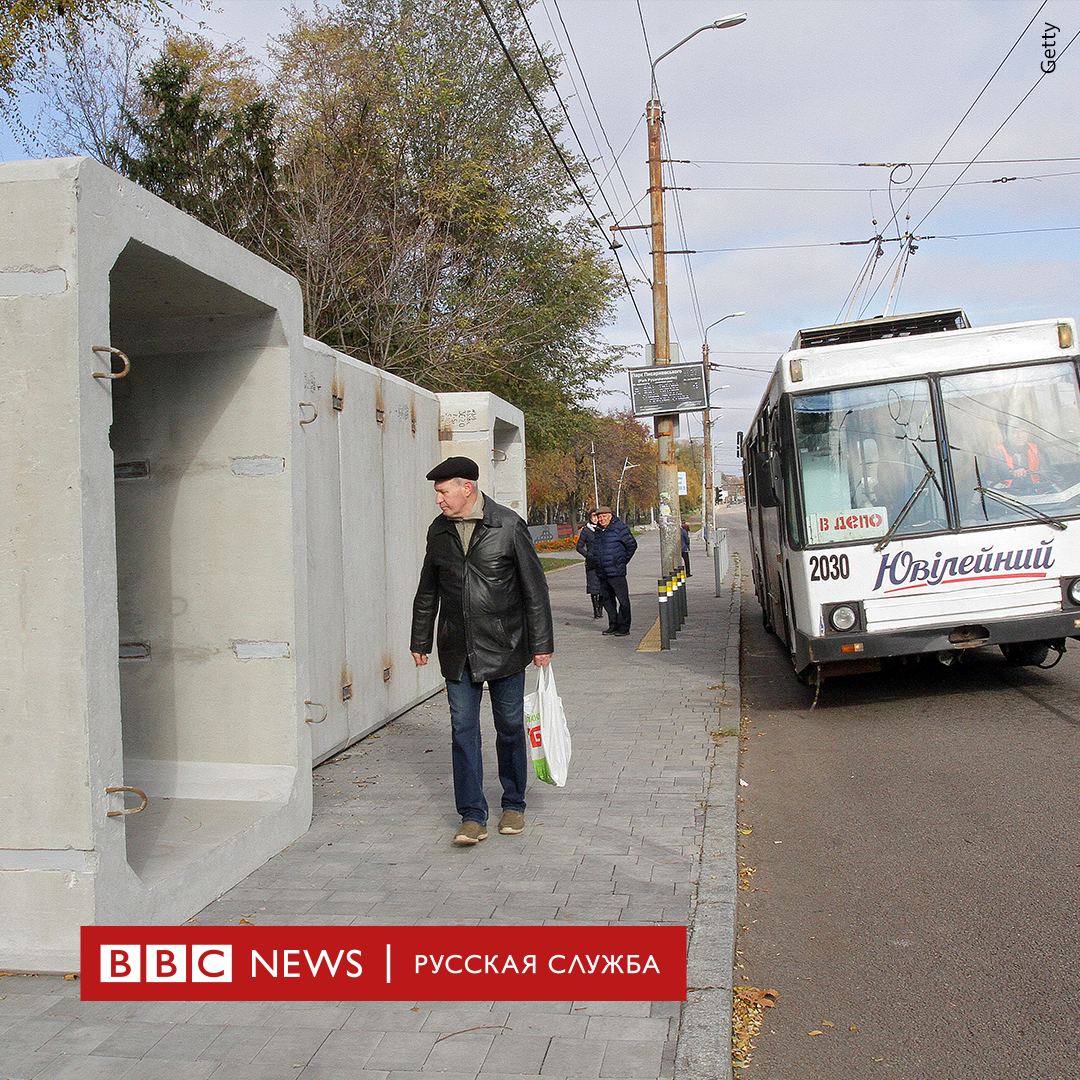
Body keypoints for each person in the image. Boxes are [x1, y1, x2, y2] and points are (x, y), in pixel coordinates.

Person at [410, 456, 554, 847]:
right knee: (462, 731)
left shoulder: (507, 525)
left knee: (508, 728)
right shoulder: (438, 532)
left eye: (443, 491)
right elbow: (428, 591)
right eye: (437, 493)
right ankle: (472, 814)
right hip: (457, 648)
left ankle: (513, 803)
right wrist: (420, 640)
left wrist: (541, 645)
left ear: (466, 488)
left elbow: (534, 590)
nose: (438, 499)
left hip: (505, 646)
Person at [592, 506, 637, 637]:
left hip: (616, 572)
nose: (601, 519)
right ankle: (613, 624)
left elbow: (632, 545)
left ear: (610, 516)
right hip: (602, 572)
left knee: (622, 600)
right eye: (599, 517)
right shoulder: (598, 531)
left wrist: (621, 561)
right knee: (607, 600)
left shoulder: (619, 528)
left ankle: (624, 627)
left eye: (604, 516)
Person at [994, 424, 1042, 494]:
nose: (1019, 436)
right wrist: (1012, 472)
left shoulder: (1035, 449)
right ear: (1007, 434)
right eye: (1014, 432)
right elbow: (997, 470)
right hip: (1006, 493)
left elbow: (1048, 471)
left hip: (1034, 491)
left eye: (1023, 431)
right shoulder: (998, 450)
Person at [575, 508, 604, 618]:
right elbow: (579, 547)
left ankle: (601, 607)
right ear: (590, 518)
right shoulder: (586, 531)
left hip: (603, 562)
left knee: (603, 587)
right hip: (591, 563)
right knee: (593, 587)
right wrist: (588, 555)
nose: (596, 519)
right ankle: (595, 610)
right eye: (593, 517)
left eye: (597, 516)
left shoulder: (603, 529)